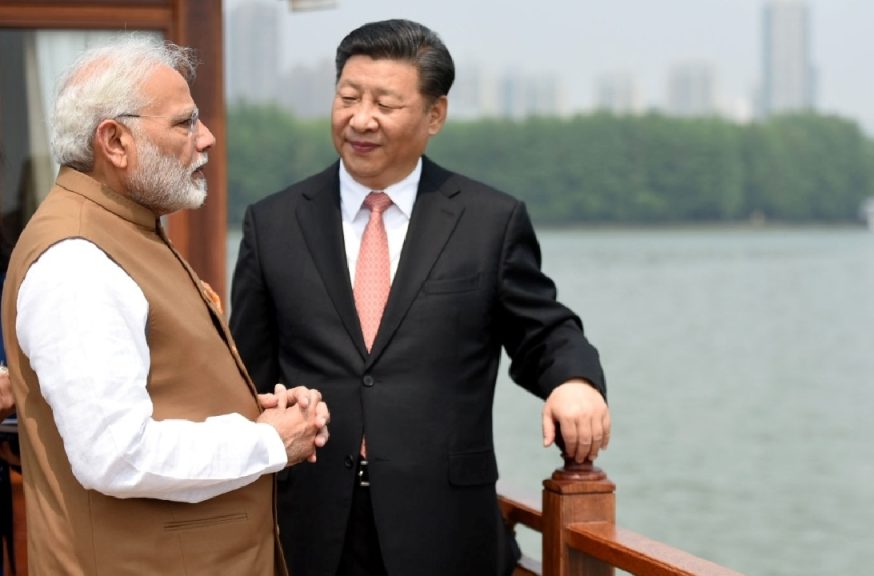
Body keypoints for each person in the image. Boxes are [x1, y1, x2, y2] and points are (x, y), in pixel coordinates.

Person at [229, 18, 610, 576]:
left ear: (435, 115)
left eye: (385, 103)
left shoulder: (488, 221)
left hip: (447, 530)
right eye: (348, 97)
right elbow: (246, 374)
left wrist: (574, 381)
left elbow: (544, 331)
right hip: (307, 526)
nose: (361, 119)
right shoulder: (274, 222)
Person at [0, 36, 330, 575]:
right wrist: (266, 442)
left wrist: (257, 413)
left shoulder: (125, 228)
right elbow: (117, 455)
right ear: (115, 141)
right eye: (184, 123)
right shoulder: (77, 261)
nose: (207, 138)